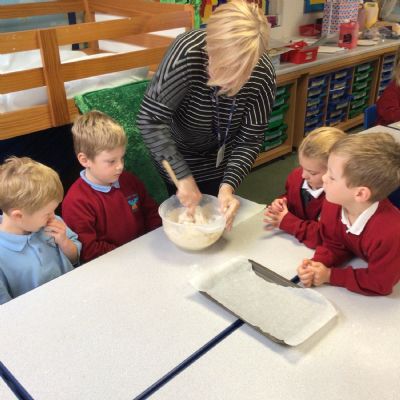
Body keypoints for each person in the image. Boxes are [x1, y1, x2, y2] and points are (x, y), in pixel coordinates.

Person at [137, 0, 276, 230]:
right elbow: (150, 120)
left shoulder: (262, 75)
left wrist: (228, 187)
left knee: (216, 220)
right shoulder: (186, 52)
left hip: (219, 161)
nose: (225, 81)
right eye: (219, 65)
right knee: (183, 222)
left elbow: (249, 140)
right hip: (176, 154)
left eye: (236, 74)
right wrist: (182, 178)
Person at [297, 132, 400, 296]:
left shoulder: (390, 233)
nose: (324, 178)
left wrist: (330, 275)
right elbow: (334, 244)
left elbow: (380, 282)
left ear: (360, 194)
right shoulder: (334, 204)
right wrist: (317, 265)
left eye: (332, 176)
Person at [62, 111, 161, 263]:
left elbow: (151, 212)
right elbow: (88, 250)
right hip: (113, 264)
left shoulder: (128, 180)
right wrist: (130, 255)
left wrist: (155, 239)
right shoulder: (76, 202)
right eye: (111, 161)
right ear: (85, 160)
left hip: (145, 253)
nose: (120, 166)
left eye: (122, 158)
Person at [0, 157, 81, 304]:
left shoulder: (52, 222)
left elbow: (75, 258)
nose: (53, 216)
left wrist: (64, 242)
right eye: (47, 213)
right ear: (18, 216)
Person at [264, 127, 346, 248]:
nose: (303, 175)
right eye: (302, 167)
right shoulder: (296, 177)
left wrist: (287, 222)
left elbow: (325, 238)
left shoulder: (338, 198)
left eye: (312, 173)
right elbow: (291, 196)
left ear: (335, 173)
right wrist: (281, 203)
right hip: (291, 243)